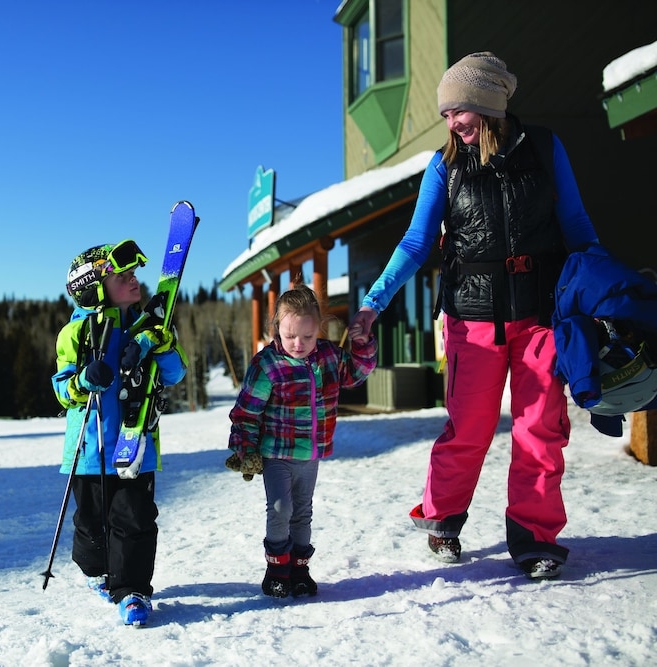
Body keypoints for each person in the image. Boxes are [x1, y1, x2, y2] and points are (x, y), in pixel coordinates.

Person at [347, 52, 600, 580]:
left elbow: (578, 227)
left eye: (457, 112)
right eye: (444, 115)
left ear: (487, 105)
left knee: (541, 431)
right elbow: (417, 242)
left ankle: (535, 538)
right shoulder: (445, 166)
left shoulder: (546, 149)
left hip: (540, 315)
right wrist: (373, 303)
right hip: (470, 317)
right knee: (469, 429)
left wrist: (601, 293)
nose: (451, 124)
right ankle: (441, 517)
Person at [51, 240, 187, 626]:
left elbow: (177, 374)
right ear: (94, 287)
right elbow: (61, 388)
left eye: (133, 275)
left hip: (136, 444)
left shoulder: (151, 327)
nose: (133, 281)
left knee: (136, 521)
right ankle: (99, 572)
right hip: (90, 451)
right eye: (122, 276)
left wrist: (159, 345)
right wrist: (81, 379)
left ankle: (133, 592)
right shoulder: (73, 334)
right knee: (91, 529)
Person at [228, 283, 377, 598]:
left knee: (302, 511)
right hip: (277, 453)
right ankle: (277, 570)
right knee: (281, 508)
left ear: (318, 329)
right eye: (290, 336)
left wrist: (361, 343)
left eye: (308, 336)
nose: (299, 344)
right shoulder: (267, 364)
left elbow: (358, 372)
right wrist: (245, 448)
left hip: (310, 453)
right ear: (277, 329)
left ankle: (299, 569)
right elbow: (246, 411)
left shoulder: (328, 357)